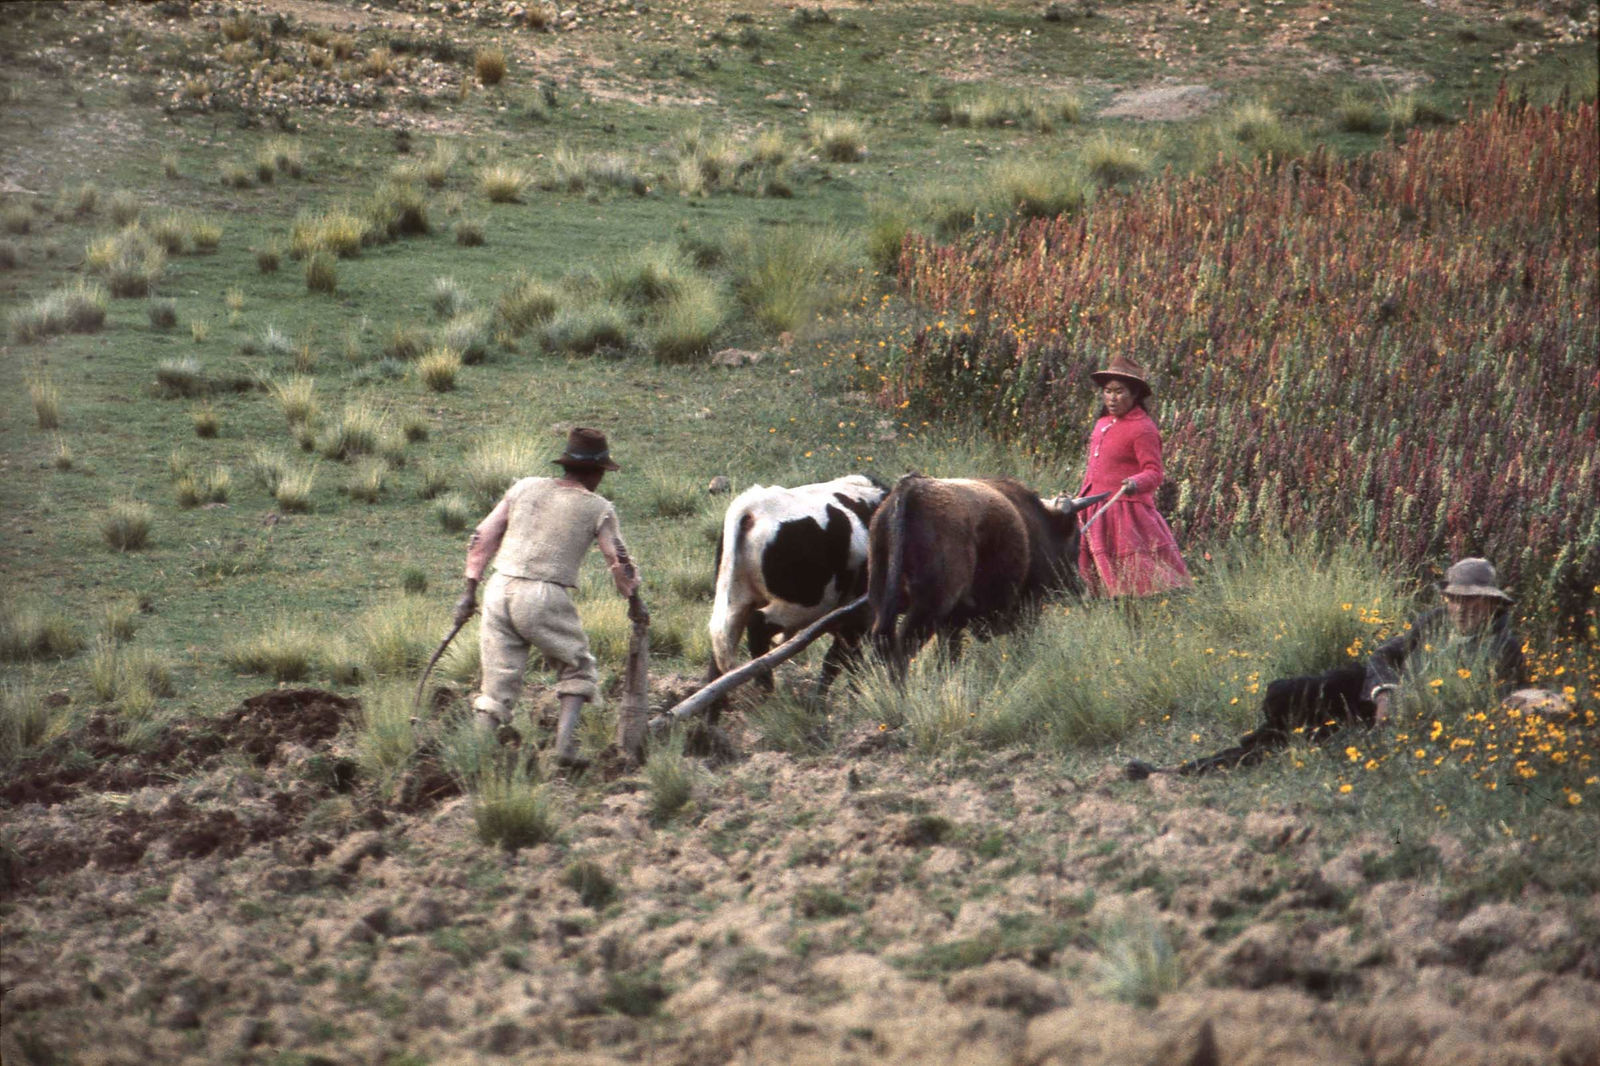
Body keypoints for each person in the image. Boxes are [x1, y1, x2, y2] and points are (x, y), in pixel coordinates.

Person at [1129, 557, 1527, 778]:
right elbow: (1384, 656)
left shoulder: (1503, 649)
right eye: (1454, 598)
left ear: (1492, 603)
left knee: (1301, 734)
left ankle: (1189, 771)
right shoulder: (1433, 622)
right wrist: (1386, 692)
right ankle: (1198, 766)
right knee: (1289, 693)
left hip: (1412, 723)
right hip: (1378, 701)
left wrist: (1413, 712)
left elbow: (1491, 708)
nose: (1459, 608)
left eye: (1471, 601)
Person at [453, 427, 640, 767]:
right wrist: (634, 600)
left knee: (496, 683)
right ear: (597, 472)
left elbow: (482, 536)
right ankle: (564, 749)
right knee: (576, 667)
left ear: (566, 464)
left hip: (499, 588)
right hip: (544, 593)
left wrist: (468, 592)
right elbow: (619, 560)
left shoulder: (524, 488)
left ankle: (475, 757)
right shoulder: (598, 507)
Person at [1075, 356, 1192, 598]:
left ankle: (1136, 608)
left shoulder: (1143, 428)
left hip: (1124, 510)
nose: (1112, 398)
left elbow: (1154, 472)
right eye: (1107, 391)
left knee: (1133, 570)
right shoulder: (1103, 423)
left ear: (1135, 394)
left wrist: (1135, 482)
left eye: (1119, 392)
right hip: (1093, 505)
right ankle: (1098, 605)